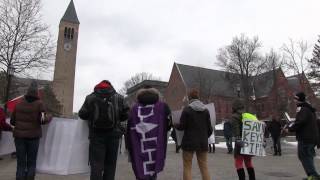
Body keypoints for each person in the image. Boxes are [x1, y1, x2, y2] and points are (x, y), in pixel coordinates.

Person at [78, 80, 129, 180]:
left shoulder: (90, 97)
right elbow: (126, 114)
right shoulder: (119, 97)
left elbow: (82, 114)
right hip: (114, 135)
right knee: (110, 165)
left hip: (96, 136)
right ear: (111, 86)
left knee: (96, 165)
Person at [126, 86, 171, 180]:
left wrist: (128, 147)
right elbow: (169, 125)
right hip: (156, 145)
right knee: (152, 170)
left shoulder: (134, 109)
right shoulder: (162, 106)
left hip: (138, 146)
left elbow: (129, 129)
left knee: (140, 169)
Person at [10, 81, 51, 180]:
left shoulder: (19, 104)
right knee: (31, 162)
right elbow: (42, 120)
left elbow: (12, 121)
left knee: (21, 163)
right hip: (33, 137)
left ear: (27, 92)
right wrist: (50, 116)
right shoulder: (39, 104)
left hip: (19, 137)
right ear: (37, 93)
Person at [175, 89, 212, 180]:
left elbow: (181, 127)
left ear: (189, 98)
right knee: (204, 166)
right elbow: (210, 129)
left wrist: (175, 124)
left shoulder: (187, 110)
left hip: (189, 143)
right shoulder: (206, 110)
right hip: (202, 143)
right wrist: (203, 137)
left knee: (187, 166)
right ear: (198, 98)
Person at [284, 92, 320, 180]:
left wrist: (289, 129)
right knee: (308, 156)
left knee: (304, 156)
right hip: (310, 138)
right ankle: (312, 176)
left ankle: (314, 176)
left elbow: (300, 122)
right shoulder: (308, 109)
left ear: (299, 99)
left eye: (295, 99)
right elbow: (301, 121)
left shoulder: (303, 109)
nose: (294, 101)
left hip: (305, 138)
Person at [231, 99, 256, 180]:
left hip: (240, 142)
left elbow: (236, 129)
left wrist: (238, 138)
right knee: (248, 162)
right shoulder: (248, 115)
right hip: (249, 142)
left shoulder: (235, 117)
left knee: (238, 162)